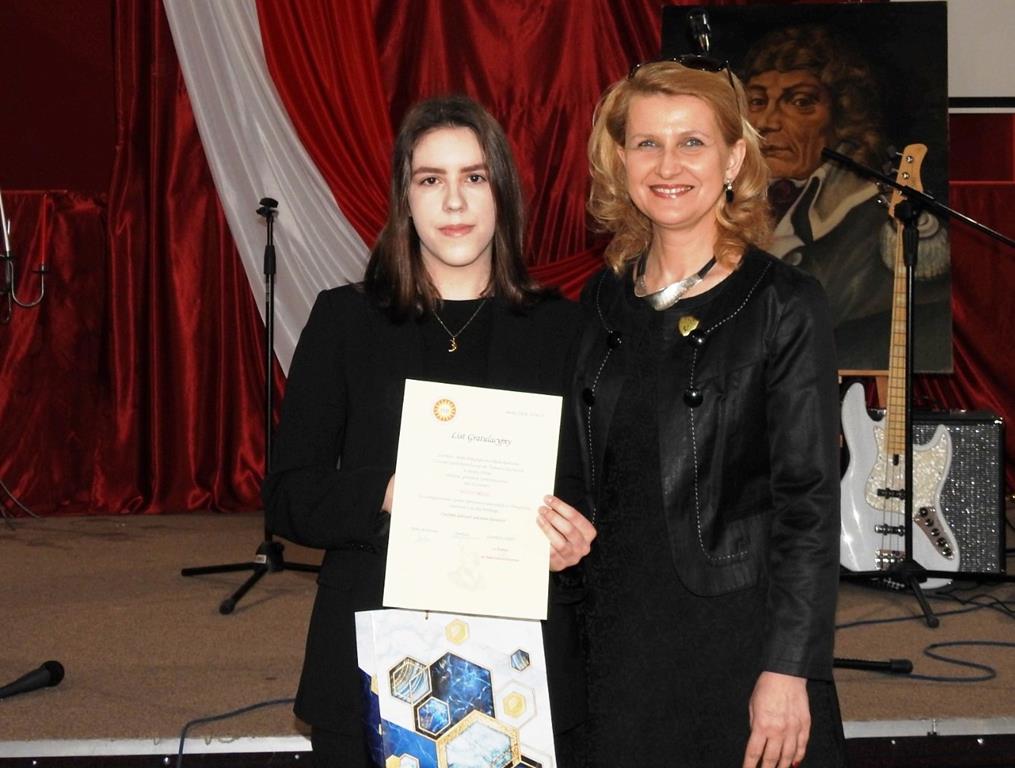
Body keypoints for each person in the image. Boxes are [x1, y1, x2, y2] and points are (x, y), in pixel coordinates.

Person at [263, 95, 595, 768]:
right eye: (430, 179)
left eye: (474, 177)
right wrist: (388, 493)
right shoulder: (345, 321)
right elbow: (289, 497)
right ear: (404, 198)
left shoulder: (563, 330)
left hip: (520, 663)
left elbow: (591, 489)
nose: (454, 201)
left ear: (502, 193)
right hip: (371, 649)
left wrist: (575, 537)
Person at [546, 59, 847, 767]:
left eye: (692, 142)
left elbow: (808, 501)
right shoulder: (598, 301)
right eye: (647, 143)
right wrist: (556, 535)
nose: (667, 165)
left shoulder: (783, 303)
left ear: (734, 159)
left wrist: (788, 669)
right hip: (614, 636)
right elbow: (581, 466)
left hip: (735, 638)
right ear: (620, 161)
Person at [742, 25, 950, 372]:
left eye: (800, 102)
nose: (767, 122)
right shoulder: (726, 206)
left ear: (843, 116)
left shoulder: (878, 221)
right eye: (757, 101)